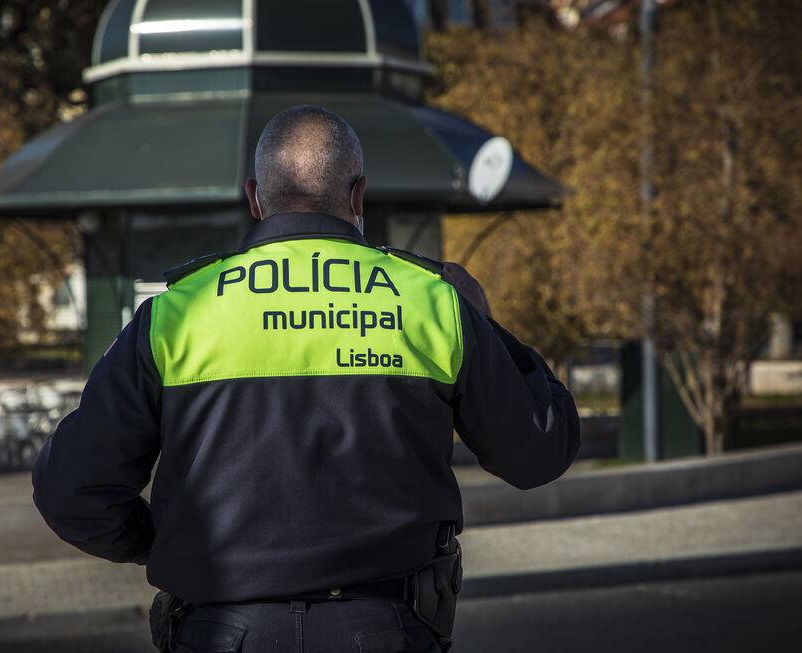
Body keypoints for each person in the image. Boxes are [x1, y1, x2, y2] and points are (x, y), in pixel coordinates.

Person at [32, 105, 579, 652]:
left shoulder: (178, 312)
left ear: (255, 197)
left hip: (220, 632)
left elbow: (71, 489)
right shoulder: (430, 303)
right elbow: (538, 452)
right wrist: (484, 324)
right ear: (359, 194)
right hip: (386, 630)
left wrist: (159, 540)